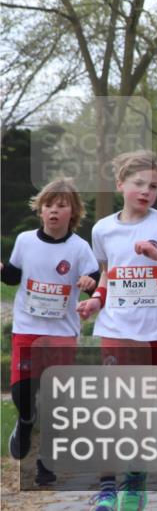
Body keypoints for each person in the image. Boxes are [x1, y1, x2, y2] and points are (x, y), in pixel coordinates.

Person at [77, 151, 157, 511]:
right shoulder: (102, 229)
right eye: (138, 184)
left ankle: (135, 479)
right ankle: (106, 488)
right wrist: (96, 301)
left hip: (156, 331)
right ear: (120, 185)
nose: (146, 191)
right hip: (116, 326)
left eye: (153, 186)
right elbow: (108, 275)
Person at [2, 178, 99, 487]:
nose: (54, 211)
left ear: (74, 212)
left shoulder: (79, 247)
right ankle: (26, 421)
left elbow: (94, 276)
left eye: (62, 206)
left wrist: (88, 283)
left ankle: (46, 462)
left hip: (61, 332)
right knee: (23, 392)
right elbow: (13, 277)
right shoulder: (25, 240)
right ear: (40, 211)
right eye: (49, 205)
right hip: (28, 328)